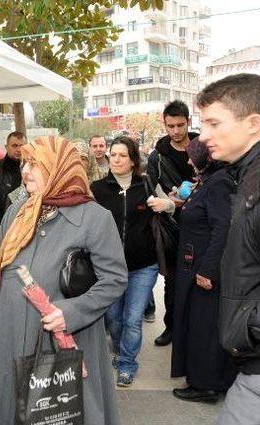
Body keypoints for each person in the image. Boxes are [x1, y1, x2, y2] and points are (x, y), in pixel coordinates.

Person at [0, 136, 128, 424]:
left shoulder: (95, 217)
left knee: (62, 411)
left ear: (58, 168)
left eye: (34, 164)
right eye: (25, 163)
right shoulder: (19, 210)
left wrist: (69, 313)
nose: (25, 171)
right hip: (11, 332)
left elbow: (114, 279)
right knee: (11, 405)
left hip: (63, 339)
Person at [194, 74, 260, 425]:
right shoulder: (245, 176)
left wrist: (247, 330)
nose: (202, 135)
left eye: (213, 123)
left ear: (253, 123)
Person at [91, 136, 175, 387]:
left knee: (133, 318)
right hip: (109, 269)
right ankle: (119, 349)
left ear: (132, 160)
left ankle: (127, 363)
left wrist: (165, 203)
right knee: (113, 319)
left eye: (122, 155)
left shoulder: (146, 184)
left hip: (143, 267)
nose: (115, 159)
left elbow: (172, 205)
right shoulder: (97, 189)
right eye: (112, 155)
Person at [171, 136, 237, 403]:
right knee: (200, 325)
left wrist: (208, 270)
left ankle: (206, 385)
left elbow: (223, 228)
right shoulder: (209, 181)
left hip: (204, 268)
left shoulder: (218, 183)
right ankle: (207, 380)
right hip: (196, 265)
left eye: (192, 155)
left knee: (204, 328)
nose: (188, 160)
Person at [146, 100, 199, 347]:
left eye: (180, 125)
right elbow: (152, 192)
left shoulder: (203, 148)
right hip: (171, 227)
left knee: (200, 280)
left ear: (188, 121)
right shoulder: (157, 156)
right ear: (164, 124)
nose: (176, 131)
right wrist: (170, 201)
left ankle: (194, 329)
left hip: (201, 226)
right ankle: (171, 327)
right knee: (172, 281)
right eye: (171, 126)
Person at [0, 131, 25, 238]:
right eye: (14, 146)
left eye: (22, 146)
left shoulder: (32, 170)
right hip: (1, 229)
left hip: (25, 228)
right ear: (7, 147)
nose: (19, 149)